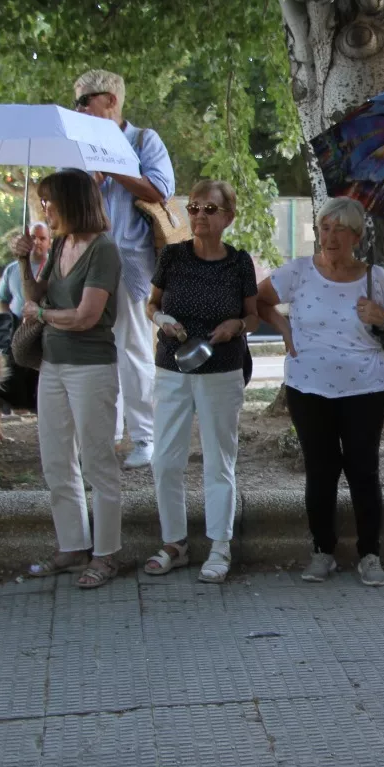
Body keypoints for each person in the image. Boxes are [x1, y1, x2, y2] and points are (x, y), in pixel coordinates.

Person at [259, 197, 384, 586]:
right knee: (320, 471)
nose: (330, 236)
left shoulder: (374, 276)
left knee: (363, 470)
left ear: (356, 236)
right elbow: (258, 299)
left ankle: (370, 554)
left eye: (340, 229)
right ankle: (322, 551)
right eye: (325, 228)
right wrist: (283, 327)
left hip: (366, 389)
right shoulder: (298, 272)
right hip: (307, 388)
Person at [14, 169, 125, 589]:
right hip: (53, 365)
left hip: (91, 366)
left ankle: (107, 552)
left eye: (50, 202)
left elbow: (85, 317)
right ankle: (72, 544)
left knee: (97, 460)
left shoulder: (104, 250)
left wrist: (41, 316)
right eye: (43, 202)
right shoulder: (60, 242)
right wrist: (24, 259)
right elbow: (34, 298)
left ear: (73, 203)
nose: (45, 210)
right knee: (56, 459)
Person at [144, 179, 258, 584]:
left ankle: (220, 546)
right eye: (193, 207)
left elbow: (254, 316)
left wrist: (237, 325)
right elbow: (152, 303)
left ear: (228, 216)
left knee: (218, 460)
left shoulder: (239, 262)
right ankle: (174, 542)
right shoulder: (173, 256)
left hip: (221, 368)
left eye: (209, 209)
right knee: (165, 459)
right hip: (171, 365)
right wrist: (160, 320)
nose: (198, 216)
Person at [73, 69, 176, 470]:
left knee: (132, 347)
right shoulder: (79, 147)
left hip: (131, 260)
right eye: (76, 102)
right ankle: (107, 433)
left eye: (85, 101)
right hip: (88, 260)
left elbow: (160, 188)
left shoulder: (143, 140)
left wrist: (111, 167)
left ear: (111, 100)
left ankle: (145, 436)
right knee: (97, 349)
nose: (78, 109)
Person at [0, 221, 51, 316]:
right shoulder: (11, 269)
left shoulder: (56, 267)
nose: (37, 242)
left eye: (42, 238)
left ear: (49, 243)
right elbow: (2, 301)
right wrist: (11, 321)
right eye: (33, 237)